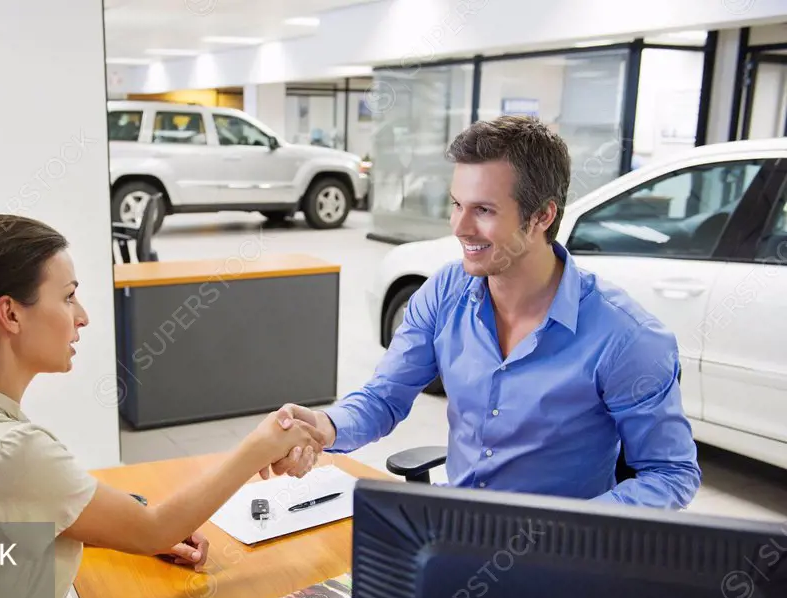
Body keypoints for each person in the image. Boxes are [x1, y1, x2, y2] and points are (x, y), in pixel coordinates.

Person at [0, 215, 322, 598]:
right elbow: (152, 528)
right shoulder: (4, 449)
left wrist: (120, 524)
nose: (83, 315)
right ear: (10, 314)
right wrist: (263, 444)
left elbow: (12, 512)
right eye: (68, 296)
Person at [274, 115, 701, 509]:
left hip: (557, 558)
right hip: (456, 532)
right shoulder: (444, 292)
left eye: (483, 210)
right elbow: (384, 398)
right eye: (457, 204)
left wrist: (574, 533)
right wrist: (325, 426)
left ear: (542, 216)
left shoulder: (626, 337)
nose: (459, 227)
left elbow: (671, 473)